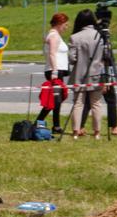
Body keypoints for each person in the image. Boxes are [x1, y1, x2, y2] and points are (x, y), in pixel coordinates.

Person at [67, 9, 103, 140]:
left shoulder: (75, 37)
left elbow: (72, 59)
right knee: (96, 103)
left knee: (78, 103)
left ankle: (76, 131)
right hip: (96, 74)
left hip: (79, 76)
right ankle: (97, 132)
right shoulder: (99, 35)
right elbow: (104, 56)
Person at [35, 12, 69, 134]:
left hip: (56, 70)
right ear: (59, 23)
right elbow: (52, 54)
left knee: (56, 100)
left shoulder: (54, 35)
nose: (66, 27)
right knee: (54, 101)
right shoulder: (54, 36)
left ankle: (55, 125)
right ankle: (40, 122)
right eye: (65, 24)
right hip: (55, 71)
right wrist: (55, 71)